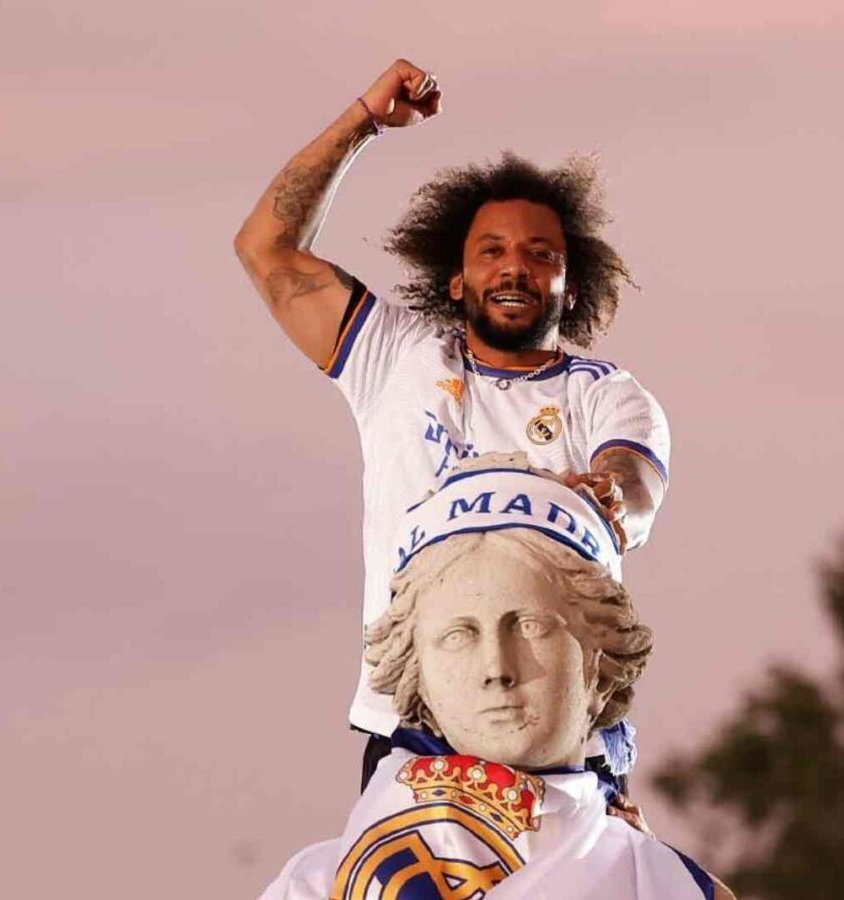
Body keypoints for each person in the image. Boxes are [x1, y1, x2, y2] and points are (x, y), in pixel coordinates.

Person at [234, 59, 671, 780]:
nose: (514, 267)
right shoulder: (393, 355)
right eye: (491, 250)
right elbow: (265, 249)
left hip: (563, 730)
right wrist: (363, 122)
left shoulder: (607, 394)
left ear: (570, 284)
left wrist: (609, 494)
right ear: (456, 278)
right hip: (415, 725)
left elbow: (633, 481)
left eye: (540, 254)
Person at [257, 461, 732, 900]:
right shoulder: (316, 886)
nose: (496, 669)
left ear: (600, 655)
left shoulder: (671, 886)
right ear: (416, 669)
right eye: (459, 635)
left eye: (529, 627)